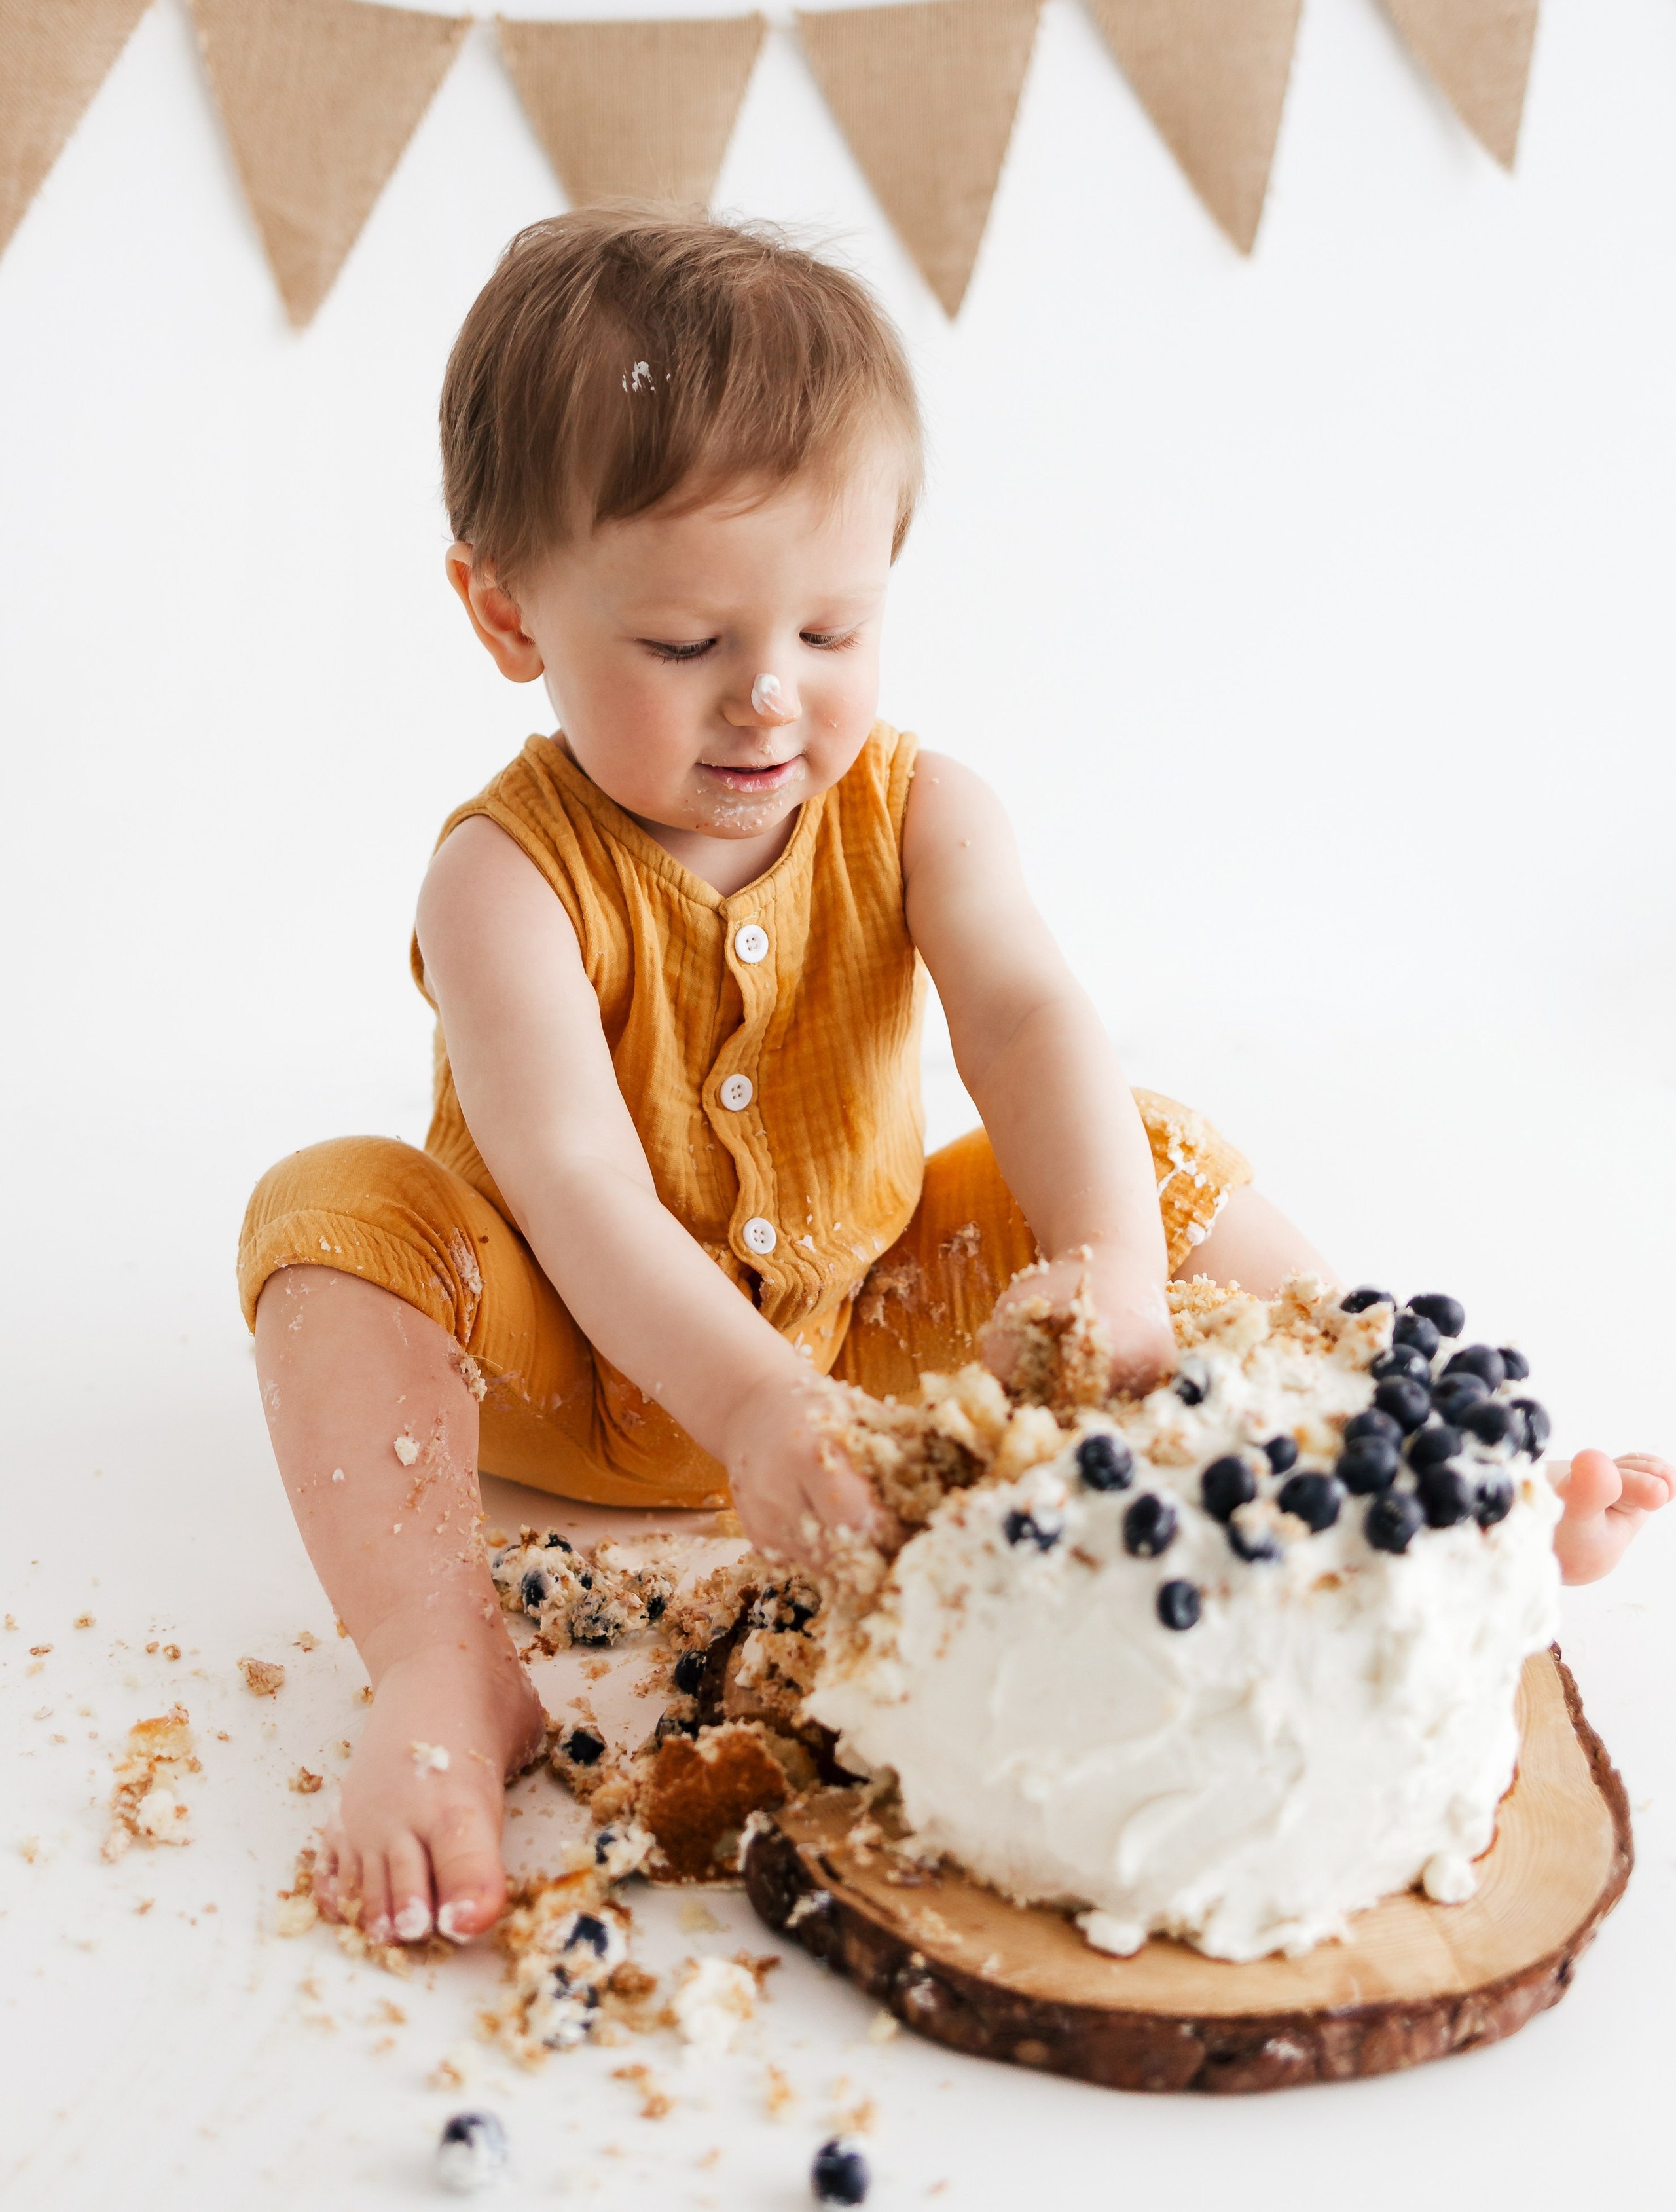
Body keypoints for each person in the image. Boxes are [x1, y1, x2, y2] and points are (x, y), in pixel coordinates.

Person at [239, 209, 1671, 1952]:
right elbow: (575, 1184)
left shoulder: (922, 810)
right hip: (562, 1373)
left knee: (1148, 1150)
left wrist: (1108, 1293)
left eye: (834, 629)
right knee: (329, 1213)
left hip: (869, 1328)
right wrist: (757, 1411)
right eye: (686, 645)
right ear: (503, 608)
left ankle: (1416, 1477)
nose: (769, 696)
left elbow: (1032, 1024)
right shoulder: (504, 879)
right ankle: (439, 1672)